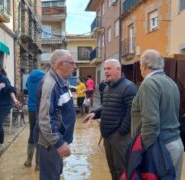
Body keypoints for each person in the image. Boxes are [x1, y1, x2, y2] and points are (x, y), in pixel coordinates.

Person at [131, 49, 184, 180]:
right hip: (176, 144)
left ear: (143, 66)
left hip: (160, 148)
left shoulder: (149, 84)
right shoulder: (171, 83)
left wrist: (140, 151)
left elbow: (151, 123)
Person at [83, 59, 137, 180]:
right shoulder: (107, 88)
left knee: (122, 170)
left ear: (118, 69)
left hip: (120, 138)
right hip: (107, 136)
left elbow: (133, 112)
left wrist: (121, 131)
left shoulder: (129, 87)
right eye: (105, 69)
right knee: (112, 169)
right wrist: (95, 113)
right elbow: (107, 106)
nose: (106, 71)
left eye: (109, 68)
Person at [33, 49, 77, 180]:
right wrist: (58, 143)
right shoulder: (50, 84)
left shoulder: (61, 81)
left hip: (56, 141)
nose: (74, 66)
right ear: (60, 64)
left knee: (55, 175)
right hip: (49, 144)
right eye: (72, 63)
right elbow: (45, 119)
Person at [0, 63, 20, 155]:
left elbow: (10, 90)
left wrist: (14, 99)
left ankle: (1, 145)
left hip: (4, 105)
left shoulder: (3, 79)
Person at [23, 63, 51, 169]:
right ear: (47, 69)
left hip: (31, 108)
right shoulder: (46, 78)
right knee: (41, 135)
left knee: (32, 133)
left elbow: (27, 88)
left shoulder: (30, 77)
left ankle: (28, 161)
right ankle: (38, 164)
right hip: (42, 109)